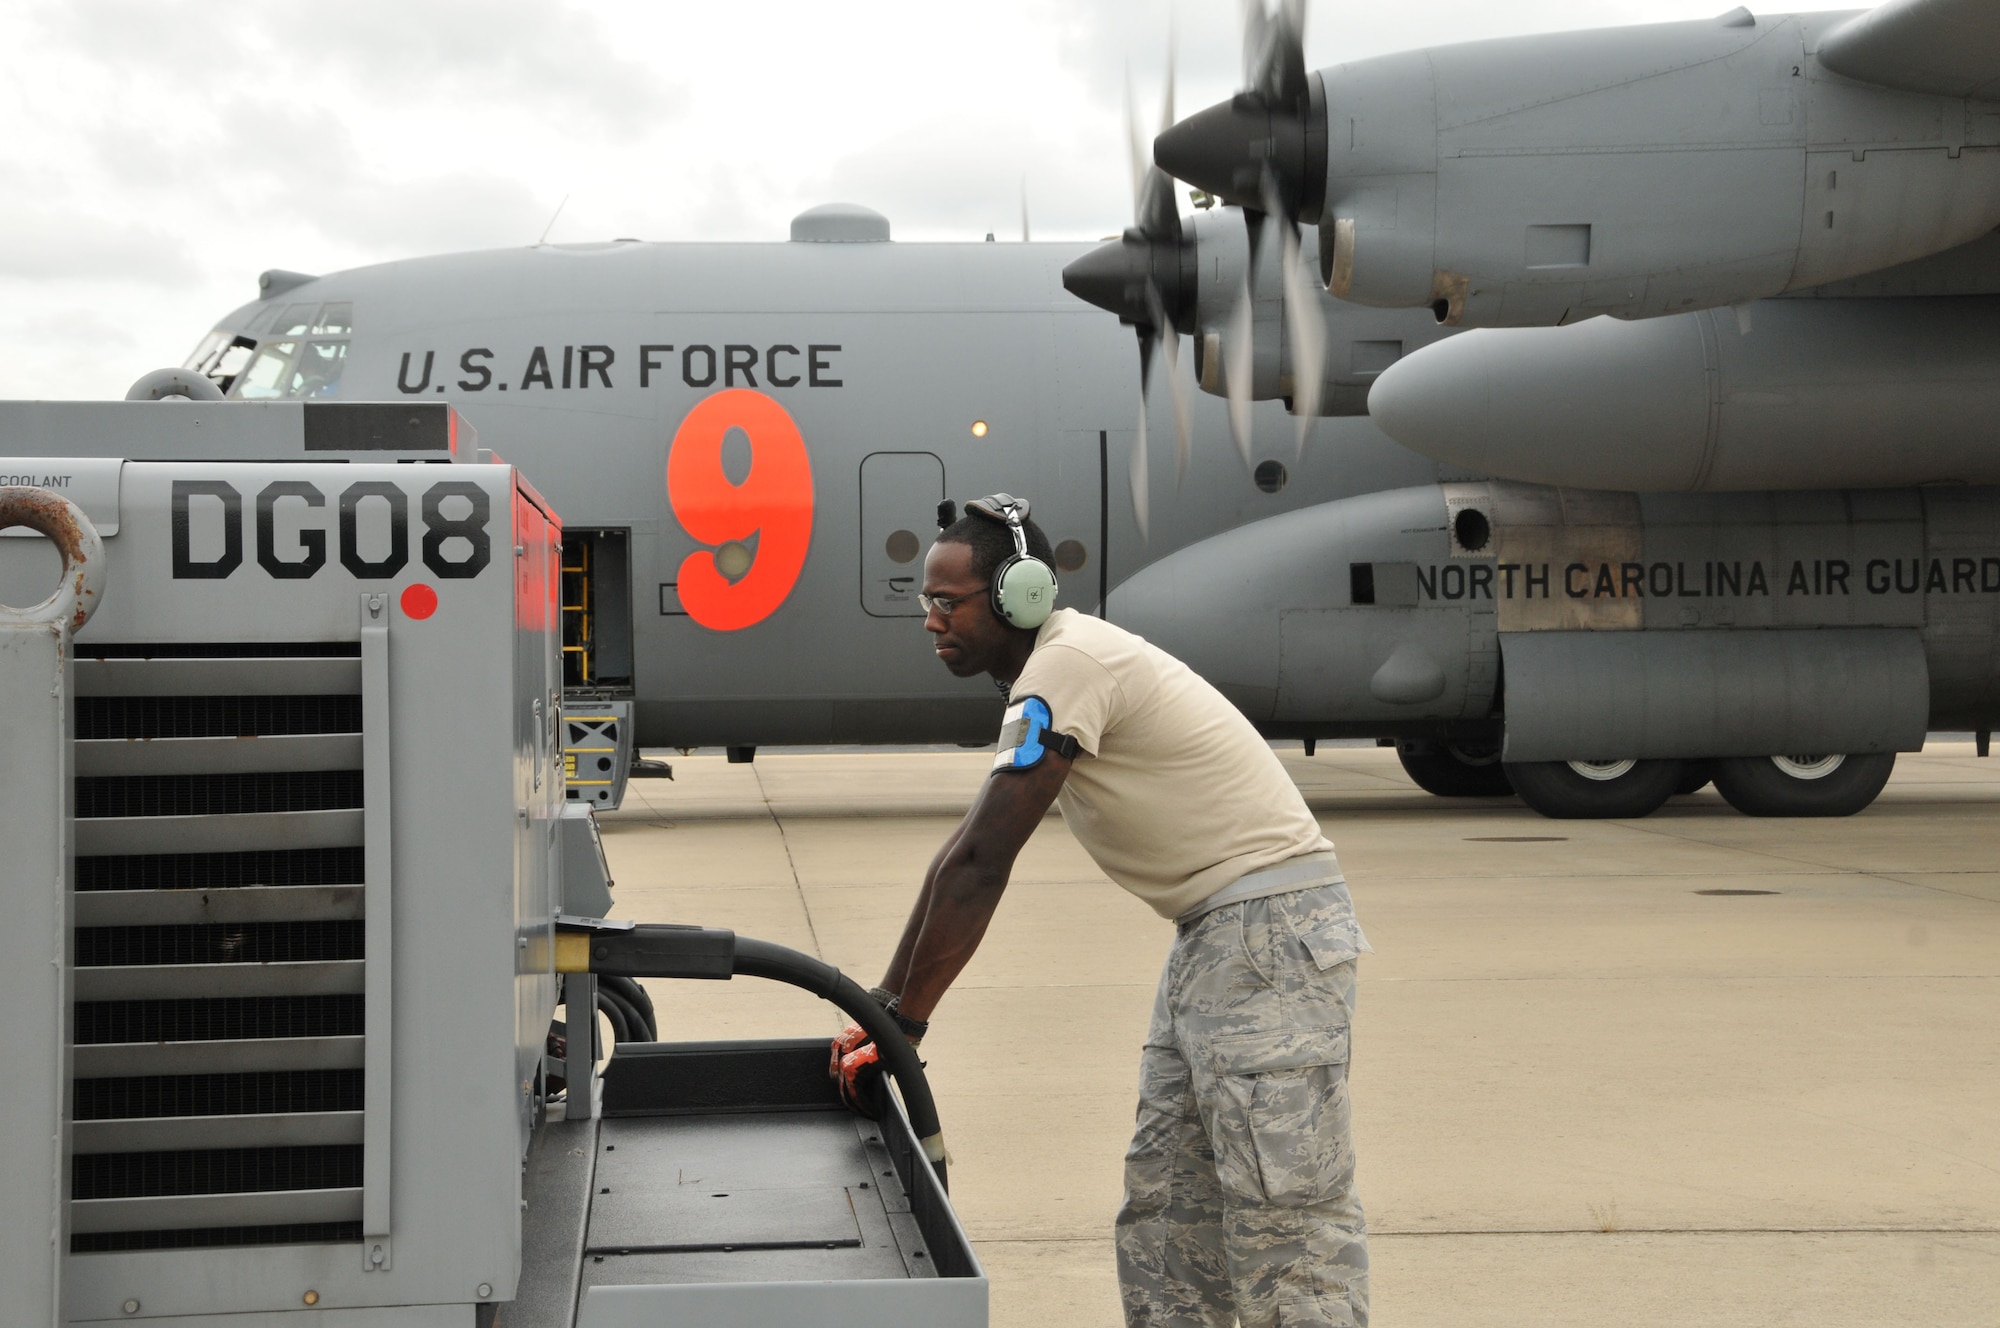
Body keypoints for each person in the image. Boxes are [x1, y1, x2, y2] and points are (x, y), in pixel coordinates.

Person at [832, 494, 1372, 1328]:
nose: (930, 620)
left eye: (949, 602)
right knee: (1168, 1215)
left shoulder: (1069, 662)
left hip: (1270, 936)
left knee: (1284, 1222)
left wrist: (907, 1024)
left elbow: (983, 862)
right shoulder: (1050, 673)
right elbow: (961, 853)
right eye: (925, 601)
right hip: (1211, 938)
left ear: (1022, 595)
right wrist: (884, 1007)